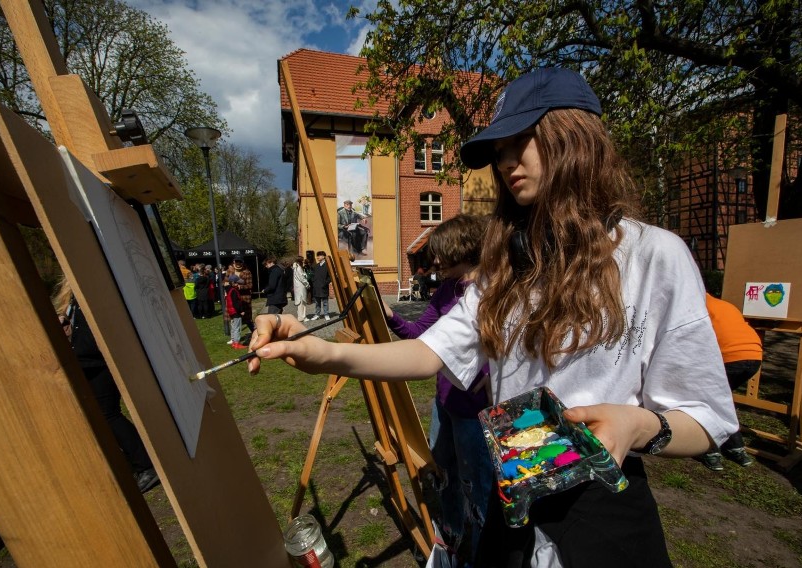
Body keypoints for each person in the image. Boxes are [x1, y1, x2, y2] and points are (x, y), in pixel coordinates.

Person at [248, 67, 737, 568]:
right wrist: (321, 351)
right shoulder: (505, 266)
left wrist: (636, 425)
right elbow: (427, 352)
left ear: (573, 137)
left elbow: (707, 418)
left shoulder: (655, 256)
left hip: (603, 513)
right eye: (498, 151)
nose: (506, 162)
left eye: (520, 140)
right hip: (515, 507)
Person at [384, 214, 492, 563]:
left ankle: (478, 553)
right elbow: (421, 337)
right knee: (442, 470)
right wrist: (390, 317)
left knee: (477, 487)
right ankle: (451, 534)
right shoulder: (447, 289)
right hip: (444, 402)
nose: (435, 262)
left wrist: (492, 372)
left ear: (465, 250)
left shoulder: (495, 290)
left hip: (475, 414)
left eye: (442, 255)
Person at [53, 278, 160, 493]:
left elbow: (93, 338)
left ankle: (146, 465)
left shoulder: (91, 292)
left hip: (95, 362)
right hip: (86, 361)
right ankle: (140, 463)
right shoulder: (74, 299)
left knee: (108, 415)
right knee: (103, 416)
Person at [700, 293, 761, 470]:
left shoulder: (699, 306)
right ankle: (736, 448)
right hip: (754, 355)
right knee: (721, 399)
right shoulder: (724, 305)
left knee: (706, 400)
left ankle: (710, 450)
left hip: (731, 357)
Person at [231, 256, 255, 333]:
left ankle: (255, 333)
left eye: (239, 262)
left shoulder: (247, 272)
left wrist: (240, 286)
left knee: (247, 319)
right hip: (234, 298)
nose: (238, 263)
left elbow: (250, 286)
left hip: (244, 298)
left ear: (242, 263)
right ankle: (234, 338)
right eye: (236, 262)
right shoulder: (231, 272)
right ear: (234, 262)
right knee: (234, 318)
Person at [308, 251, 331, 321]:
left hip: (323, 287)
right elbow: (312, 275)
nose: (317, 257)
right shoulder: (316, 266)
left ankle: (326, 314)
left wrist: (325, 283)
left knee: (325, 302)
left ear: (323, 256)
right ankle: (317, 314)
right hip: (316, 287)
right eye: (317, 256)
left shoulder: (327, 266)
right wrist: (314, 282)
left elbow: (330, 277)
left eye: (319, 255)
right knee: (317, 302)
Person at [225, 274, 247, 349]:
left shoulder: (229, 290)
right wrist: (241, 311)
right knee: (237, 328)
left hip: (231, 311)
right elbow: (236, 303)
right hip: (236, 312)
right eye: (237, 283)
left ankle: (234, 342)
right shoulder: (234, 291)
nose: (238, 284)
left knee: (234, 327)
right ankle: (237, 343)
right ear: (233, 283)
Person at [292, 256, 310, 322]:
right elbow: (302, 278)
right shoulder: (298, 268)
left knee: (300, 303)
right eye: (302, 260)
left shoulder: (295, 267)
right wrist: (307, 284)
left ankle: (301, 316)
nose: (303, 262)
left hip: (298, 287)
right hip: (301, 287)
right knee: (302, 302)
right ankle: (302, 317)